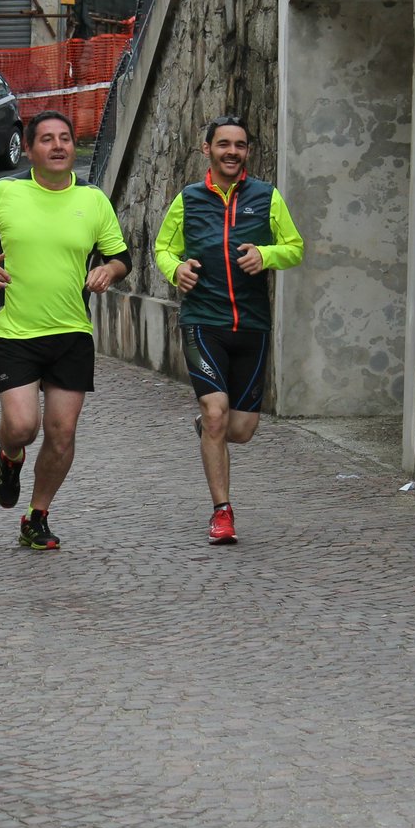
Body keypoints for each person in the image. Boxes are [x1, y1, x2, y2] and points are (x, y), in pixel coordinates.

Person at [0, 110, 131, 550]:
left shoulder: (93, 201)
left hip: (72, 331)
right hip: (12, 328)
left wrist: (108, 271)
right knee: (21, 426)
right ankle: (9, 457)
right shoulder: (6, 193)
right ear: (31, 150)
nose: (58, 146)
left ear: (74, 147)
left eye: (66, 139)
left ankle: (37, 516)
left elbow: (120, 256)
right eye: (48, 139)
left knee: (62, 434)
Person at [153, 115, 304, 545]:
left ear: (248, 152)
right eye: (223, 144)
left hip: (252, 326)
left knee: (240, 430)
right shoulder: (188, 199)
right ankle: (222, 512)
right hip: (203, 322)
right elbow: (163, 248)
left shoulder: (267, 197)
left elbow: (295, 248)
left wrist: (266, 254)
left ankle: (208, 431)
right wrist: (176, 268)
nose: (231, 152)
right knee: (217, 413)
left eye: (239, 145)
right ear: (207, 149)